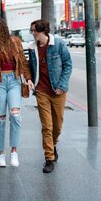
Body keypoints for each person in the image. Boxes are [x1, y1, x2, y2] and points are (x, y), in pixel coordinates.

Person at [0, 17, 33, 168]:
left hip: (14, 81)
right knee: (1, 118)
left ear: (1, 27)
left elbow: (23, 62)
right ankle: (1, 153)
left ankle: (14, 152)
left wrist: (28, 78)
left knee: (15, 115)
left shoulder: (15, 42)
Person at [28, 19, 73, 174]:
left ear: (43, 31)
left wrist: (62, 85)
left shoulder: (58, 44)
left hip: (58, 91)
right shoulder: (32, 48)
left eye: (34, 30)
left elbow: (68, 64)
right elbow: (29, 68)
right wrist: (29, 80)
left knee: (57, 125)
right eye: (31, 30)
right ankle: (49, 158)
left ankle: (52, 145)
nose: (32, 33)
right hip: (41, 91)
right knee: (47, 126)